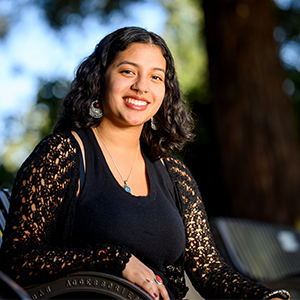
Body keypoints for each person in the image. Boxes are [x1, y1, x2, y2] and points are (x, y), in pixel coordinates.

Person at [0, 26, 290, 300]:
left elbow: (209, 270)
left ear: (164, 93)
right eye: (128, 71)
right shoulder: (62, 153)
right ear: (100, 79)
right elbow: (18, 259)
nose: (141, 86)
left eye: (155, 77)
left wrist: (266, 297)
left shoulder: (174, 172)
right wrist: (113, 259)